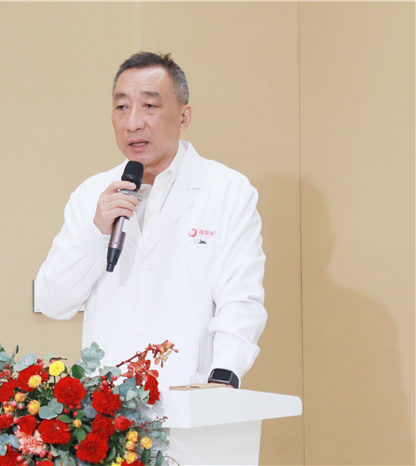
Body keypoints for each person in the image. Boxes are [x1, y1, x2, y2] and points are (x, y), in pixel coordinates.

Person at [34, 52, 267, 390]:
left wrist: (223, 376)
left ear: (184, 116)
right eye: (122, 107)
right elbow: (53, 301)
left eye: (149, 106)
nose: (133, 123)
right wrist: (97, 232)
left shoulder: (227, 190)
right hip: (109, 405)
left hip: (192, 395)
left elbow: (241, 299)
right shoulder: (91, 194)